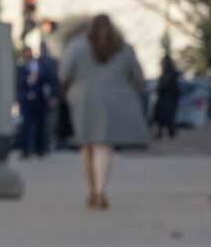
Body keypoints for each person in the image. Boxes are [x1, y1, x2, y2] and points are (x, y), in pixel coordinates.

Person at [58, 12, 149, 210]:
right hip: (113, 102)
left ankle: (91, 189)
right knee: (103, 147)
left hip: (82, 100)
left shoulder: (77, 47)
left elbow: (64, 73)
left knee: (87, 146)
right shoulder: (123, 49)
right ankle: (100, 190)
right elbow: (138, 77)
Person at [17, 33, 60, 159]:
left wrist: (52, 96)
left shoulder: (41, 66)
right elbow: (18, 84)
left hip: (40, 99)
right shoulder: (20, 68)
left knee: (41, 125)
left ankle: (40, 149)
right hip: (26, 100)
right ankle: (25, 150)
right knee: (25, 125)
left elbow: (51, 80)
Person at [151, 49, 183, 141]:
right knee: (164, 118)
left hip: (168, 99)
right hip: (165, 98)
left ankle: (168, 133)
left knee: (167, 118)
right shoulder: (167, 73)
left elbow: (167, 85)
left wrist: (158, 89)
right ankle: (164, 133)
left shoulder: (169, 73)